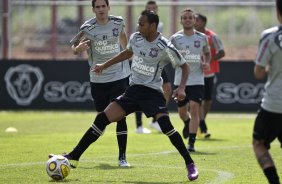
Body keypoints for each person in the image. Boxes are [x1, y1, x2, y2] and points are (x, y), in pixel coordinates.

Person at [51, 10, 199, 181]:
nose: (138, 26)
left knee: (166, 125)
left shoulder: (164, 46)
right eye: (138, 23)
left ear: (152, 26)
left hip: (152, 93)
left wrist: (181, 88)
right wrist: (104, 65)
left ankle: (190, 164)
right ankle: (74, 156)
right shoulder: (136, 37)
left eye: (142, 24)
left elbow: (185, 66)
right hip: (133, 90)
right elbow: (127, 53)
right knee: (102, 119)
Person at [69, 0, 131, 167]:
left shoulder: (118, 22)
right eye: (98, 7)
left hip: (119, 75)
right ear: (93, 9)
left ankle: (122, 157)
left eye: (104, 6)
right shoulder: (86, 27)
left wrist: (128, 54)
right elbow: (74, 46)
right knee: (101, 120)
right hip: (98, 79)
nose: (101, 9)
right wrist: (78, 49)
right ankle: (75, 155)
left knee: (120, 115)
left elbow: (124, 39)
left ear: (108, 7)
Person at [170, 8, 211, 152]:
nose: (187, 20)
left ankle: (191, 143)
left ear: (195, 21)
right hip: (180, 80)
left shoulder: (202, 37)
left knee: (194, 108)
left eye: (190, 18)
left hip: (197, 80)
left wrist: (206, 63)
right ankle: (186, 122)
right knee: (182, 112)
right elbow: (169, 56)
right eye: (185, 18)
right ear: (181, 21)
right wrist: (176, 58)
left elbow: (207, 53)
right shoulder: (175, 38)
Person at [252, 0, 282, 183]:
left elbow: (258, 72)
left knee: (259, 143)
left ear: (278, 9)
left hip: (275, 103)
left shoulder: (270, 36)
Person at [135, 0, 172, 134]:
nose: (152, 10)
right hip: (144, 63)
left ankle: (155, 120)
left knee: (167, 88)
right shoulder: (140, 25)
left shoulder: (159, 25)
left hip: (157, 62)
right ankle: (139, 126)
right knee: (139, 91)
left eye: (153, 8)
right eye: (149, 8)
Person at [194, 13, 225, 138]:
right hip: (195, 73)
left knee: (207, 101)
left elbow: (222, 52)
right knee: (197, 101)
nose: (195, 22)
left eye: (197, 20)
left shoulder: (212, 36)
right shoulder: (190, 35)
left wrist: (208, 60)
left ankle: (201, 122)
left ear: (203, 22)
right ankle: (202, 126)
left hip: (209, 73)